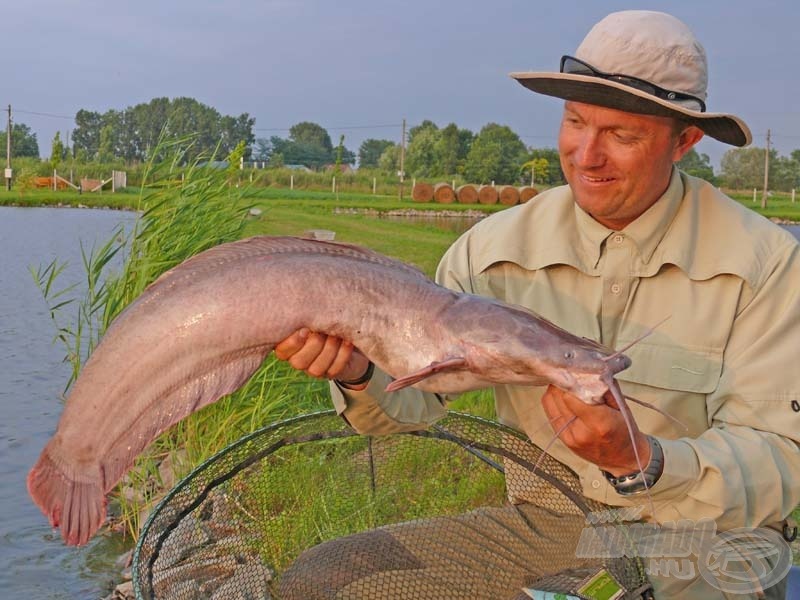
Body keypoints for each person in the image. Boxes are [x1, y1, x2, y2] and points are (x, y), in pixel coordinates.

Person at [275, 10, 800, 599]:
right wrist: (357, 372)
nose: (586, 155)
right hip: (553, 524)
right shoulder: (491, 250)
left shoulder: (767, 263)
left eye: (622, 136)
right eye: (575, 122)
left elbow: (783, 460)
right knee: (323, 583)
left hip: (707, 535)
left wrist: (644, 461)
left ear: (685, 141)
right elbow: (414, 404)